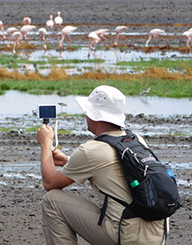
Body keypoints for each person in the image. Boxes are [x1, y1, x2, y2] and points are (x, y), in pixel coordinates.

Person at [36, 85, 166, 245]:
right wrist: (67, 160)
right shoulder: (136, 139)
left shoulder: (91, 149)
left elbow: (50, 182)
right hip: (157, 234)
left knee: (52, 200)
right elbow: (109, 164)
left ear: (94, 115)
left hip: (127, 236)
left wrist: (45, 143)